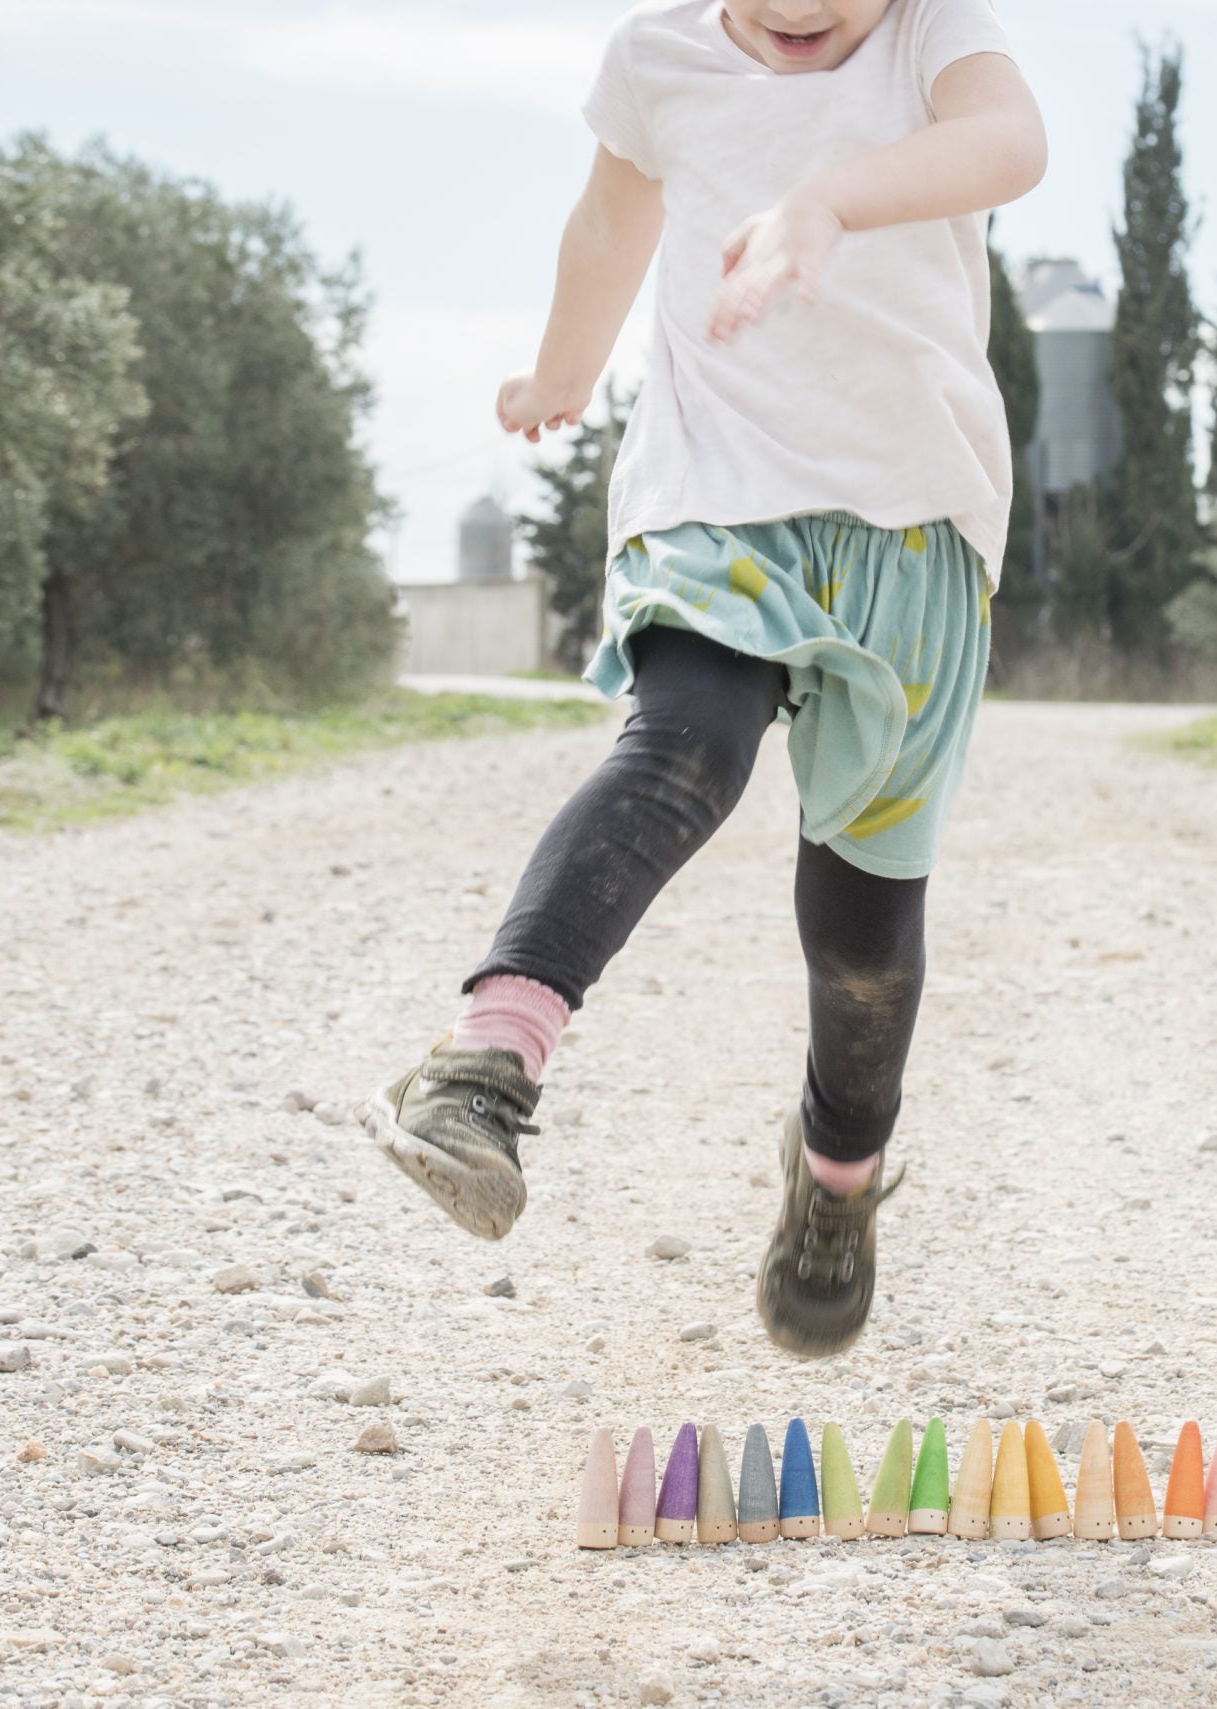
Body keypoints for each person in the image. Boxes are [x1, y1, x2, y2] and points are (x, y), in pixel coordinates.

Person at [363, 0, 1045, 1358]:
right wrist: (564, 368)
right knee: (683, 740)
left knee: (859, 927)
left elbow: (1009, 143)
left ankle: (837, 1185)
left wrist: (827, 205)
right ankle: (487, 1065)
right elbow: (612, 223)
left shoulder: (934, 37)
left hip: (913, 529)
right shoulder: (658, 57)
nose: (797, 9)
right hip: (714, 492)